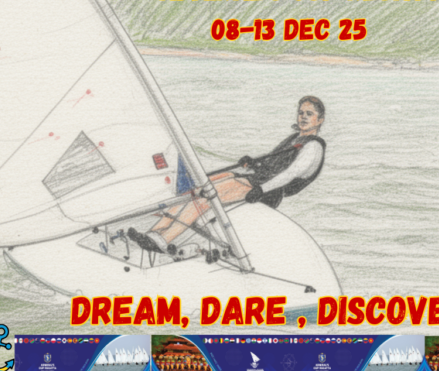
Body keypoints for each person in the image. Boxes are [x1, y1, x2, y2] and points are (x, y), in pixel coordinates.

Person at [128, 96, 326, 255]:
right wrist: (253, 163)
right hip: (255, 180)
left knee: (207, 196)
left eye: (309, 114)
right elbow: (274, 165)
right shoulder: (295, 138)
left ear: (320, 120)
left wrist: (261, 189)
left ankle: (163, 239)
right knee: (196, 189)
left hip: (267, 191)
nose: (303, 117)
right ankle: (154, 232)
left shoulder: (313, 147)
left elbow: (290, 174)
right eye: (301, 112)